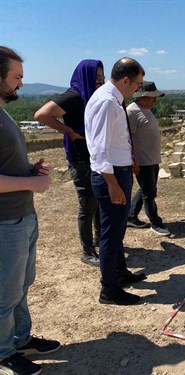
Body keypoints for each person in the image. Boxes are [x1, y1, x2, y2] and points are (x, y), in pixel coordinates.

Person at [0, 46, 61, 375]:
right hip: (5, 222)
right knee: (5, 292)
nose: (21, 84)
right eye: (17, 77)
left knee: (21, 285)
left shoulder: (3, 112)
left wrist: (28, 170)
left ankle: (20, 339)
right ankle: (3, 351)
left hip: (21, 216)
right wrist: (29, 184)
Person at [85, 57, 147, 306]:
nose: (137, 89)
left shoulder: (112, 100)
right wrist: (112, 184)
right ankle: (109, 290)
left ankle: (120, 274)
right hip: (110, 175)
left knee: (117, 230)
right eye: (137, 84)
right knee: (110, 235)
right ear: (125, 80)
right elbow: (99, 150)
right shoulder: (107, 102)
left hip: (117, 172)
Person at [34, 59, 104, 266]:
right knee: (88, 203)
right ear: (86, 76)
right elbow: (41, 115)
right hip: (80, 158)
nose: (99, 81)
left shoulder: (92, 95)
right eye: (96, 77)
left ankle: (101, 240)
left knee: (99, 199)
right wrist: (69, 131)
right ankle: (87, 250)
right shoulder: (74, 95)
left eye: (101, 77)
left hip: (94, 156)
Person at [126, 81, 170, 236]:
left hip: (152, 159)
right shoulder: (131, 112)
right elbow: (127, 138)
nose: (155, 100)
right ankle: (155, 222)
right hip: (142, 161)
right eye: (153, 97)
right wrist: (133, 161)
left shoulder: (146, 109)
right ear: (143, 96)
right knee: (149, 193)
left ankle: (130, 216)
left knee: (146, 189)